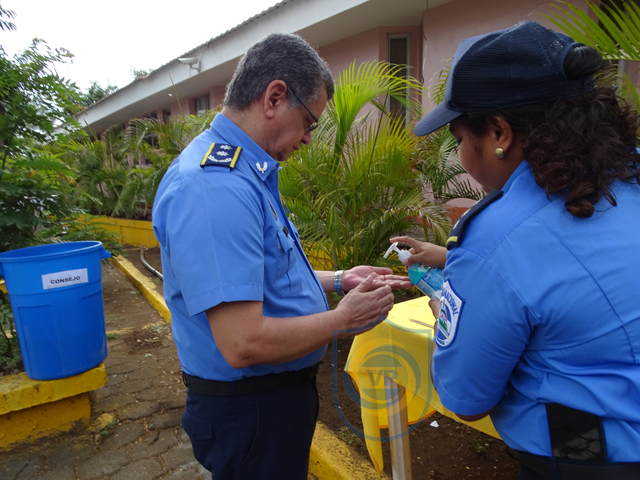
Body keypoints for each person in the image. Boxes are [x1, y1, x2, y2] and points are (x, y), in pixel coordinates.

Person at [152, 33, 411, 480]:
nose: (308, 138)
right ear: (274, 97)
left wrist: (340, 279)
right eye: (309, 122)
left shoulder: (244, 174)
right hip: (251, 411)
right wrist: (342, 320)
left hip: (266, 405)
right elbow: (243, 342)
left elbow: (264, 275)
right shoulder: (216, 188)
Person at [394, 20, 640, 479]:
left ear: (499, 133)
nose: (461, 154)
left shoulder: (495, 238)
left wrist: (448, 310)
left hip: (586, 460)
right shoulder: (627, 180)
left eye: (460, 139)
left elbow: (466, 397)